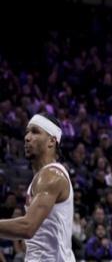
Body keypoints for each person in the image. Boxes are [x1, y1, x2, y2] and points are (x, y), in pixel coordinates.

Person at [0, 112, 75, 261]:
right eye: (27, 132)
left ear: (51, 141)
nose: (27, 137)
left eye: (35, 132)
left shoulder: (51, 176)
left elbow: (27, 227)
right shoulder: (41, 177)